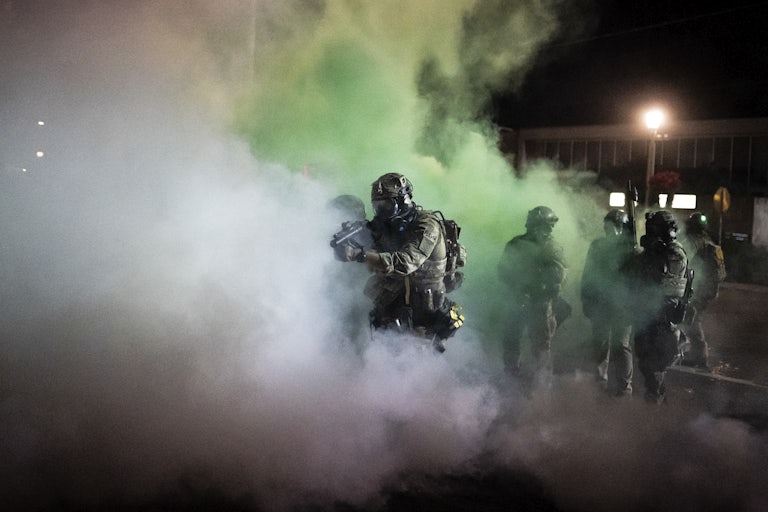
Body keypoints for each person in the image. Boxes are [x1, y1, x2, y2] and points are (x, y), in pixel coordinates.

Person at [333, 172, 464, 352]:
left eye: (386, 205)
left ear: (403, 201)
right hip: (394, 309)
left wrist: (359, 254)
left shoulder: (427, 226)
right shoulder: (391, 226)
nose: (381, 211)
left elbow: (404, 263)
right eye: (377, 206)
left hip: (423, 315)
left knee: (413, 371)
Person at [497, 206, 567, 387]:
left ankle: (540, 386)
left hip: (540, 302)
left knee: (540, 346)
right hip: (522, 300)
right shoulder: (518, 244)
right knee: (516, 341)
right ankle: (514, 380)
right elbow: (503, 271)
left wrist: (533, 289)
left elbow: (558, 278)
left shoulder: (551, 247)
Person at [628, 210, 689, 404]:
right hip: (647, 312)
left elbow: (661, 278)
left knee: (655, 364)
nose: (651, 233)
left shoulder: (674, 253)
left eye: (655, 229)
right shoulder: (655, 251)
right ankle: (656, 398)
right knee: (645, 361)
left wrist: (650, 251)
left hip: (663, 315)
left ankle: (655, 405)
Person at [581, 209, 635, 396]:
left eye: (611, 226)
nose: (607, 230)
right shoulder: (597, 246)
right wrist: (586, 299)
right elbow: (588, 275)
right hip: (601, 302)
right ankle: (600, 380)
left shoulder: (630, 248)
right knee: (601, 344)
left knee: (621, 345)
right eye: (606, 226)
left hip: (622, 304)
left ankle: (624, 385)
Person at [679, 212, 726, 369]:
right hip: (708, 289)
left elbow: (687, 264)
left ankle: (700, 358)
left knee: (691, 320)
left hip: (700, 288)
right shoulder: (708, 242)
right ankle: (695, 355)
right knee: (691, 319)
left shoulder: (696, 242)